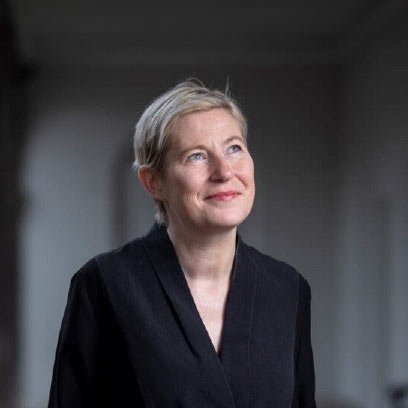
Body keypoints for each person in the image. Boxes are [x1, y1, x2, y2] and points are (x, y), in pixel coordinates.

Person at [48, 79, 316, 408]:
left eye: (234, 148)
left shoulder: (288, 289)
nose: (224, 171)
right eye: (197, 156)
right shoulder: (104, 285)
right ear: (154, 182)